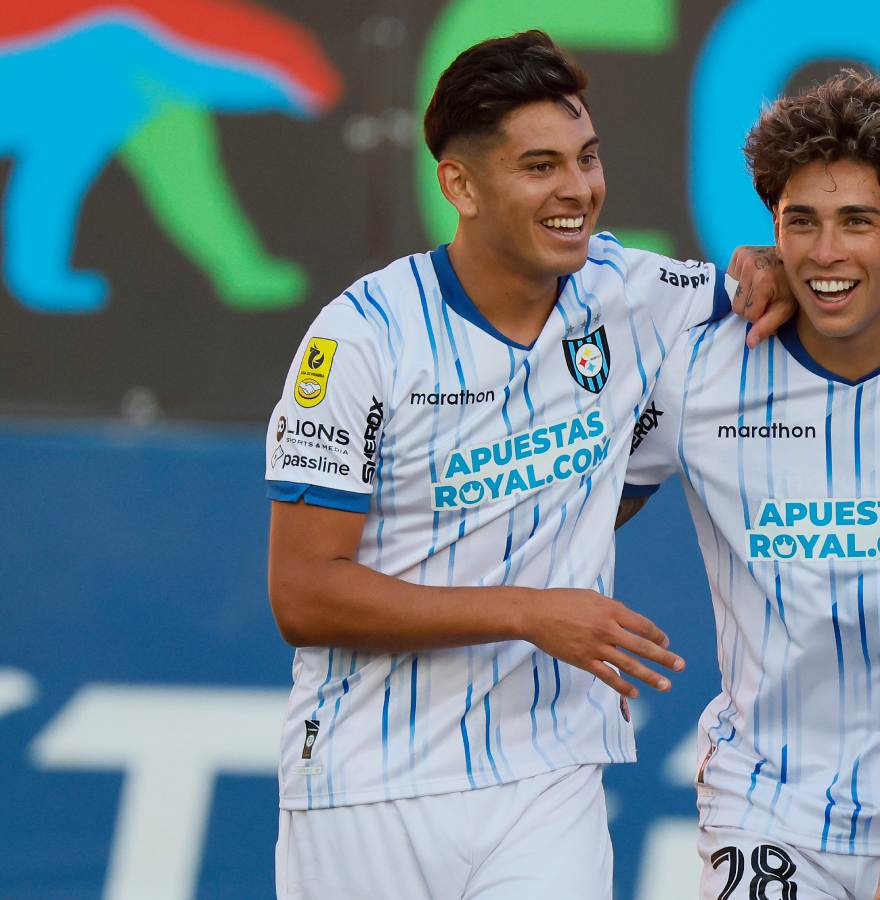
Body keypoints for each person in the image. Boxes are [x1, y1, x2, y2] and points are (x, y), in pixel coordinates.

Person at [265, 30, 737, 898]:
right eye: (540, 166)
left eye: (588, 159)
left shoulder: (636, 294)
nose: (578, 191)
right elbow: (302, 594)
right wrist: (530, 611)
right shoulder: (362, 335)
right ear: (460, 184)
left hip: (548, 772)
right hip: (368, 780)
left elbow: (831, 275)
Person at [619, 72, 880, 899]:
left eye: (856, 223)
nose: (825, 254)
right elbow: (567, 514)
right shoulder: (698, 370)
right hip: (769, 808)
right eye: (801, 223)